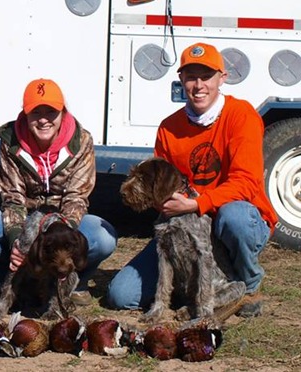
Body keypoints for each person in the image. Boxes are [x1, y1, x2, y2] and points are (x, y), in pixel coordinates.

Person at [105, 42, 278, 317]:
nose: (199, 85)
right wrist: (166, 205)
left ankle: (247, 284)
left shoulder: (241, 115)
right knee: (120, 294)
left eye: (206, 76)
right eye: (191, 77)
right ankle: (189, 293)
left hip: (226, 220)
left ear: (222, 78)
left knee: (235, 218)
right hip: (184, 223)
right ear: (181, 80)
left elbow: (246, 183)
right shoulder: (169, 128)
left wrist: (196, 205)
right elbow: (156, 187)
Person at [0, 78, 117, 306]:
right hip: (25, 220)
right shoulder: (11, 141)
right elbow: (12, 197)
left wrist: (62, 234)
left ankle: (74, 281)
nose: (43, 120)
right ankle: (6, 279)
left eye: (51, 112)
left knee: (104, 238)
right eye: (35, 113)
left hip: (64, 222)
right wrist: (17, 241)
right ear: (25, 114)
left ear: (63, 112)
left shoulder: (81, 141)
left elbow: (77, 197)